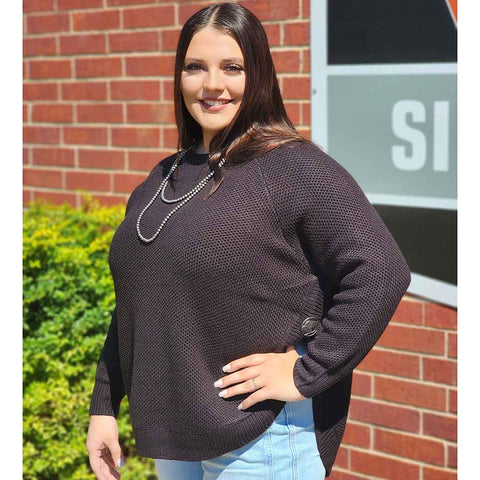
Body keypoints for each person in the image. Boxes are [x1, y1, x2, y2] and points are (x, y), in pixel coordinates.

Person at [85, 3, 411, 479]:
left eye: (231, 67)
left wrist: (306, 371)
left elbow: (381, 272)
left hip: (264, 436)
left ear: (257, 74)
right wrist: (104, 404)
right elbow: (139, 301)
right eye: (195, 67)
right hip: (177, 437)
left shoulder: (295, 168)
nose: (212, 84)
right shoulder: (161, 179)